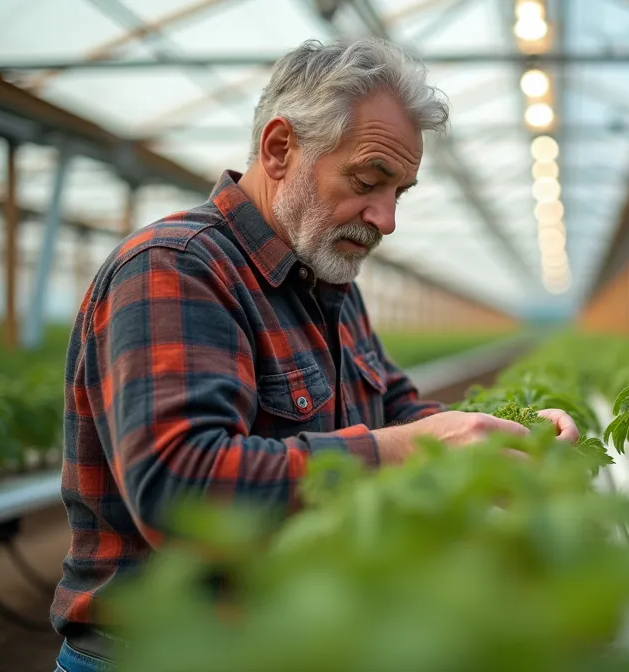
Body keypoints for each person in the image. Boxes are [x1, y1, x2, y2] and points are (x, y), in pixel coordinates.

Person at [51, 38, 579, 672]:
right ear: (280, 150)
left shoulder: (329, 278)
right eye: (367, 181)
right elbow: (179, 486)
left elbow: (394, 407)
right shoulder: (176, 268)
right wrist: (407, 452)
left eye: (400, 193)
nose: (385, 220)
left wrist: (499, 436)